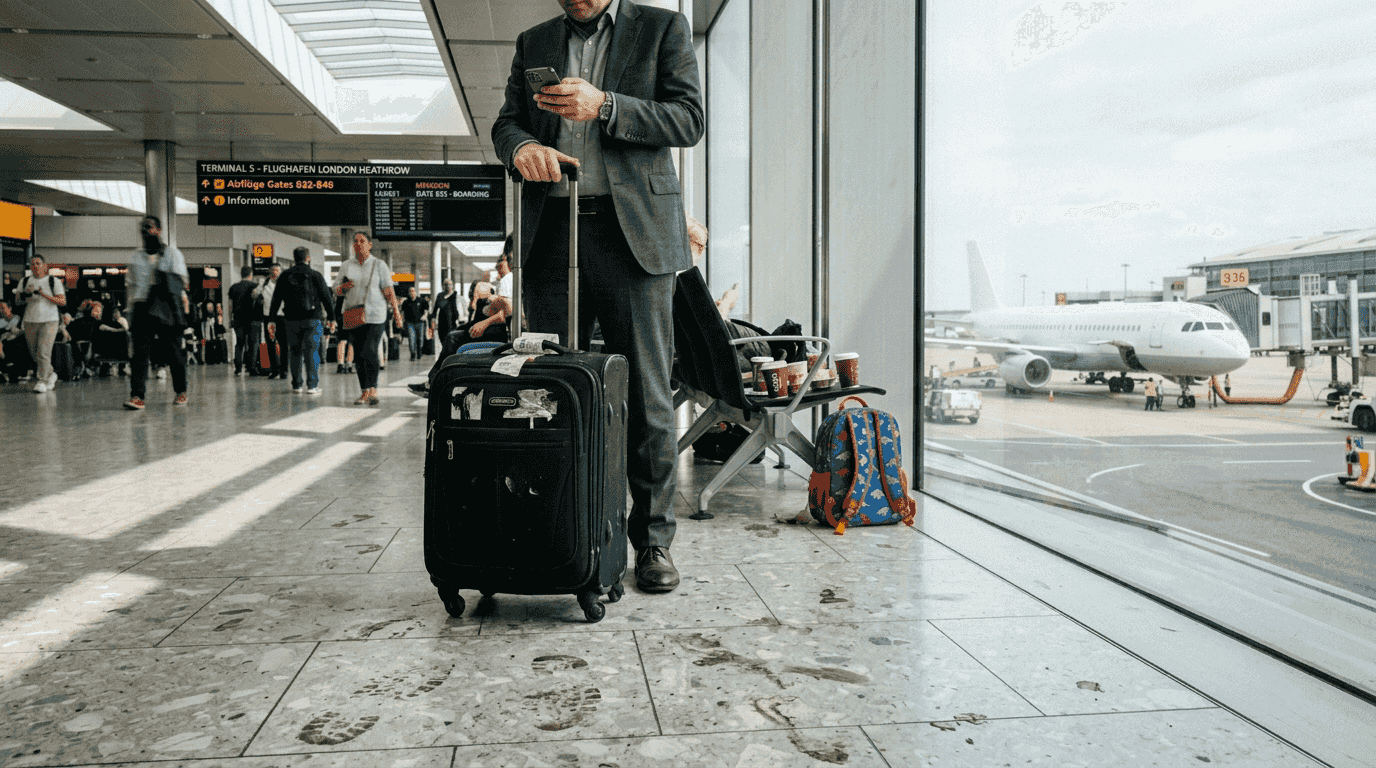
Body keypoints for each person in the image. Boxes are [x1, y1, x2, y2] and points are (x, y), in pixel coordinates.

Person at [493, 0, 703, 593]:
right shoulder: (533, 41)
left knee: (647, 394)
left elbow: (688, 119)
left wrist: (606, 105)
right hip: (552, 232)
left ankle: (654, 541)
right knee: (550, 391)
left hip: (632, 233)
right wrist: (519, 149)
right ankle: (568, 531)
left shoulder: (662, 28)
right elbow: (507, 121)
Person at [124, 216, 190, 410]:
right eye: (143, 228)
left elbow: (182, 282)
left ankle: (181, 391)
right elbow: (130, 286)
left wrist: (161, 274)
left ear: (159, 230)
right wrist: (130, 312)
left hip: (165, 306)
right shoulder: (135, 257)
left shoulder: (171, 253)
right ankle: (137, 396)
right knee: (139, 355)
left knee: (173, 351)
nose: (146, 231)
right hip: (142, 307)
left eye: (150, 228)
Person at [333, 230, 402, 405]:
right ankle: (365, 390)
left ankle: (373, 389)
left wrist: (396, 313)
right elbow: (335, 289)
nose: (358, 244)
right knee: (359, 354)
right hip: (354, 315)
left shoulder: (379, 265)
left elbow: (388, 290)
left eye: (362, 241)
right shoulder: (347, 266)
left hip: (376, 315)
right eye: (355, 241)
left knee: (369, 350)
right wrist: (345, 287)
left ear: (370, 244)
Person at [270, 246, 336, 395]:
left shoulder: (285, 275)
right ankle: (312, 386)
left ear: (294, 258)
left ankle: (297, 385)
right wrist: (332, 318)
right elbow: (327, 298)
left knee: (294, 352)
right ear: (308, 258)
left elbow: (276, 298)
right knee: (312, 352)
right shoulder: (315, 275)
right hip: (313, 319)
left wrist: (272, 319)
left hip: (291, 320)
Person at [15, 254, 67, 393]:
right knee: (35, 353)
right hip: (30, 320)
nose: (36, 266)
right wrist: (26, 294)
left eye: (38, 263)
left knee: (43, 352)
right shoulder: (24, 281)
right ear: (30, 267)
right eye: (33, 264)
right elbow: (17, 302)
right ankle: (50, 374)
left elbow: (62, 301)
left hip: (50, 320)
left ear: (44, 265)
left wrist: (44, 295)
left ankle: (42, 381)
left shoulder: (53, 281)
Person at [252, 264, 285, 379]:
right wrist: (258, 298)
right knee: (270, 343)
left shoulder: (285, 282)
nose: (276, 272)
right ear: (270, 272)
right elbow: (254, 293)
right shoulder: (265, 284)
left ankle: (284, 370)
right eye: (274, 270)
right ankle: (275, 370)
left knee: (283, 344)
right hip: (268, 317)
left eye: (278, 270)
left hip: (282, 316)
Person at [227, 265, 257, 375]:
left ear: (241, 274)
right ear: (251, 275)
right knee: (252, 343)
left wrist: (230, 318)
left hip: (238, 319)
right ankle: (251, 368)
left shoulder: (233, 287)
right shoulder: (254, 286)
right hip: (252, 319)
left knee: (239, 344)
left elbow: (230, 305)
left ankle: (238, 368)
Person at [400, 286, 428, 361]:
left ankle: (419, 352)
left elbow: (426, 311)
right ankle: (412, 354)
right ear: (408, 293)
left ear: (416, 292)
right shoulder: (406, 302)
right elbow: (402, 313)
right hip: (410, 323)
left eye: (413, 291)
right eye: (410, 291)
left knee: (420, 339)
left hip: (420, 323)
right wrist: (402, 321)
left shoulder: (421, 300)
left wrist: (424, 316)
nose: (412, 292)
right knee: (411, 339)